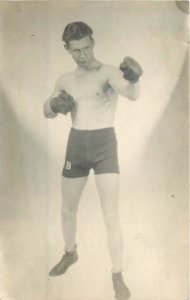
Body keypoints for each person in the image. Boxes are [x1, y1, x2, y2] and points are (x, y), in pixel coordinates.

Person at [43, 21, 143, 300]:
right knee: (66, 208)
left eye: (86, 47)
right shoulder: (65, 79)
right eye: (76, 50)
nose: (82, 54)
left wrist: (134, 79)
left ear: (93, 43)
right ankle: (70, 253)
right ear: (67, 49)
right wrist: (53, 105)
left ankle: (117, 274)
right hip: (76, 145)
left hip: (103, 146)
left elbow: (132, 95)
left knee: (110, 214)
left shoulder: (108, 72)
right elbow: (46, 111)